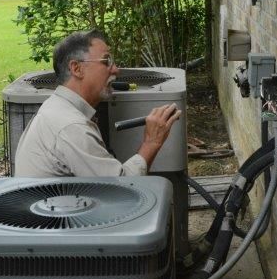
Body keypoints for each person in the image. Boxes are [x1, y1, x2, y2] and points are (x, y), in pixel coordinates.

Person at [14, 29, 181, 177]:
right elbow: (121, 190)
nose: (116, 69)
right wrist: (152, 142)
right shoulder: (71, 126)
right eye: (106, 61)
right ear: (77, 69)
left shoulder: (57, 107)